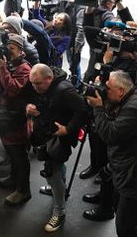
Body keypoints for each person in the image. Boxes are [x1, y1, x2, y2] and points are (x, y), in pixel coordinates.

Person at [86, 71, 137, 237]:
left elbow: (110, 134)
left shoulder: (135, 108)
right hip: (129, 167)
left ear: (121, 90)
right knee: (121, 210)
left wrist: (98, 108)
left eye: (107, 88)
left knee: (125, 225)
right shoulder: (130, 99)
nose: (104, 90)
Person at [25, 64, 87, 232]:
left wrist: (68, 129)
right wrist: (33, 110)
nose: (35, 87)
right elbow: (49, 108)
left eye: (38, 83)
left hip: (59, 138)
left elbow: (83, 110)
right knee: (57, 169)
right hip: (47, 134)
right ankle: (59, 187)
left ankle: (59, 212)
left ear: (49, 78)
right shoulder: (47, 88)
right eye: (32, 83)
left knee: (53, 173)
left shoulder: (64, 90)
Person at [0, 34, 32, 206]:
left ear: (21, 50)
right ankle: (14, 179)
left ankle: (24, 191)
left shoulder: (24, 68)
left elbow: (12, 90)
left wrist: (2, 67)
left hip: (16, 118)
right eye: (6, 48)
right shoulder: (9, 64)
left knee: (20, 155)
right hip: (4, 115)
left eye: (12, 49)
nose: (8, 52)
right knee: (11, 152)